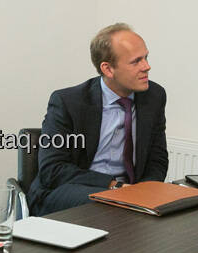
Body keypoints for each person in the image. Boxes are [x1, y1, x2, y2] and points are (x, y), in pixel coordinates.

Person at [27, 23, 168, 215]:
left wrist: (144, 191)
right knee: (111, 208)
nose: (147, 66)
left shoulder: (154, 96)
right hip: (70, 188)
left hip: (128, 192)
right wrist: (114, 186)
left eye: (146, 57)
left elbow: (157, 159)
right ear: (108, 69)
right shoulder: (67, 102)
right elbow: (53, 169)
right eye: (136, 61)